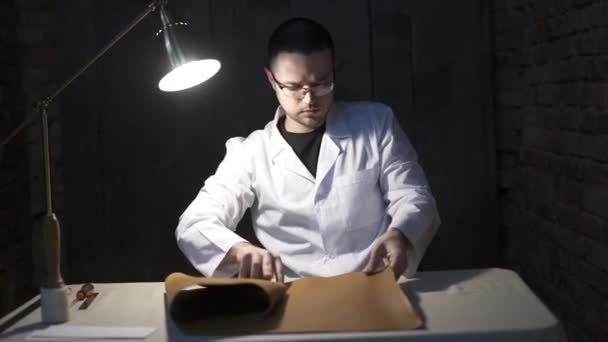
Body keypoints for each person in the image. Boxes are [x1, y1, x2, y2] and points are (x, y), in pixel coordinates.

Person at [176, 17, 439, 282]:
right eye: (293, 87)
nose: (310, 99)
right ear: (271, 79)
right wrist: (238, 250)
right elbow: (193, 224)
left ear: (334, 71)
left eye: (321, 83)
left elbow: (414, 196)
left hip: (373, 283)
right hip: (292, 293)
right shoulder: (249, 153)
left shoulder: (376, 124)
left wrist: (401, 234)